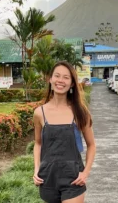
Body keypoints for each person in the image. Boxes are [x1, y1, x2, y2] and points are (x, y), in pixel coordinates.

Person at [33, 61, 96, 203]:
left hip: (73, 179)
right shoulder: (39, 113)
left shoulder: (80, 112)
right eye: (57, 76)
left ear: (72, 83)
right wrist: (36, 169)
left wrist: (85, 172)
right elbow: (38, 144)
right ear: (50, 80)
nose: (61, 80)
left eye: (66, 77)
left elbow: (91, 145)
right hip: (48, 178)